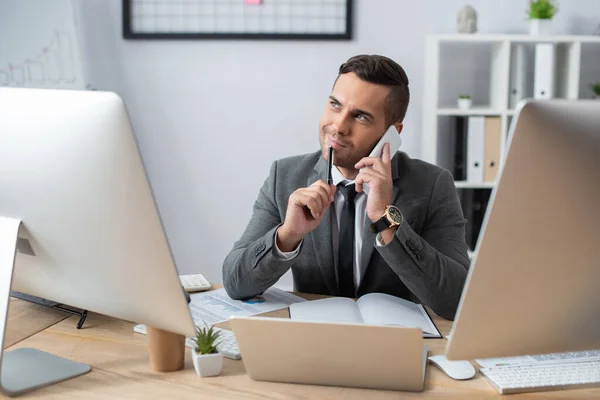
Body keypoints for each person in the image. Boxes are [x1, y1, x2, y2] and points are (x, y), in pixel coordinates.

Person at [222, 54, 469, 320]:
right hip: (314, 341)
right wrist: (287, 235)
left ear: (392, 132)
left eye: (360, 116)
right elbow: (236, 284)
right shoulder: (285, 176)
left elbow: (458, 300)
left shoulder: (432, 185)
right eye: (335, 105)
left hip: (394, 345)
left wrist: (386, 219)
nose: (338, 126)